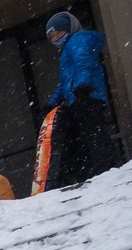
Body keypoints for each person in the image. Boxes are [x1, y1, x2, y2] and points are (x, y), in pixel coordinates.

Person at [44, 11, 121, 188]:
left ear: (67, 29)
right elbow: (64, 83)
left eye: (57, 33)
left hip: (87, 97)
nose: (55, 38)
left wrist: (83, 87)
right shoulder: (68, 48)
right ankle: (97, 169)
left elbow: (83, 63)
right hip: (78, 99)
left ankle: (108, 167)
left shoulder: (78, 41)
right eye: (51, 36)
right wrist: (53, 101)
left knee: (93, 133)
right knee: (86, 135)